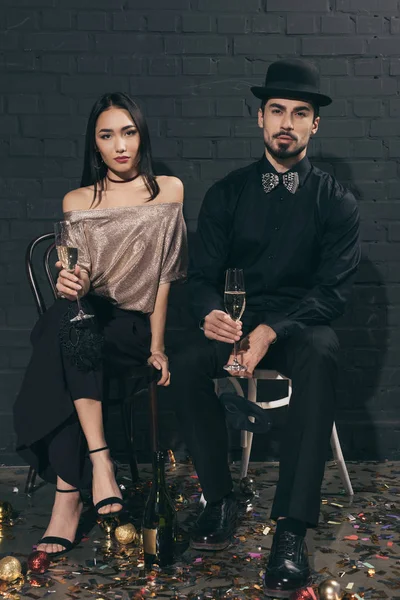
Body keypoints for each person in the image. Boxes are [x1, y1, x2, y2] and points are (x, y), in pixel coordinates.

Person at [166, 59, 360, 597]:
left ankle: (290, 532)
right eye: (277, 110)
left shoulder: (336, 202)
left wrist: (272, 331)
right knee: (183, 362)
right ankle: (221, 496)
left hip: (298, 325)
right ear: (259, 118)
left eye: (300, 113)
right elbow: (201, 278)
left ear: (314, 125)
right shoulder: (228, 194)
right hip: (236, 318)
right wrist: (209, 312)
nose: (287, 122)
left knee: (322, 356)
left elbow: (333, 293)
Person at [13, 92, 187, 557]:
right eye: (107, 135)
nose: (120, 145)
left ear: (141, 135)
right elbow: (82, 272)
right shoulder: (77, 199)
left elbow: (166, 276)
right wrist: (71, 279)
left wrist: (158, 346)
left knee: (63, 334)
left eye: (128, 132)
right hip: (88, 317)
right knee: (73, 320)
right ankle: (100, 461)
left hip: (129, 327)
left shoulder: (167, 190)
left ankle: (66, 501)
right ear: (95, 145)